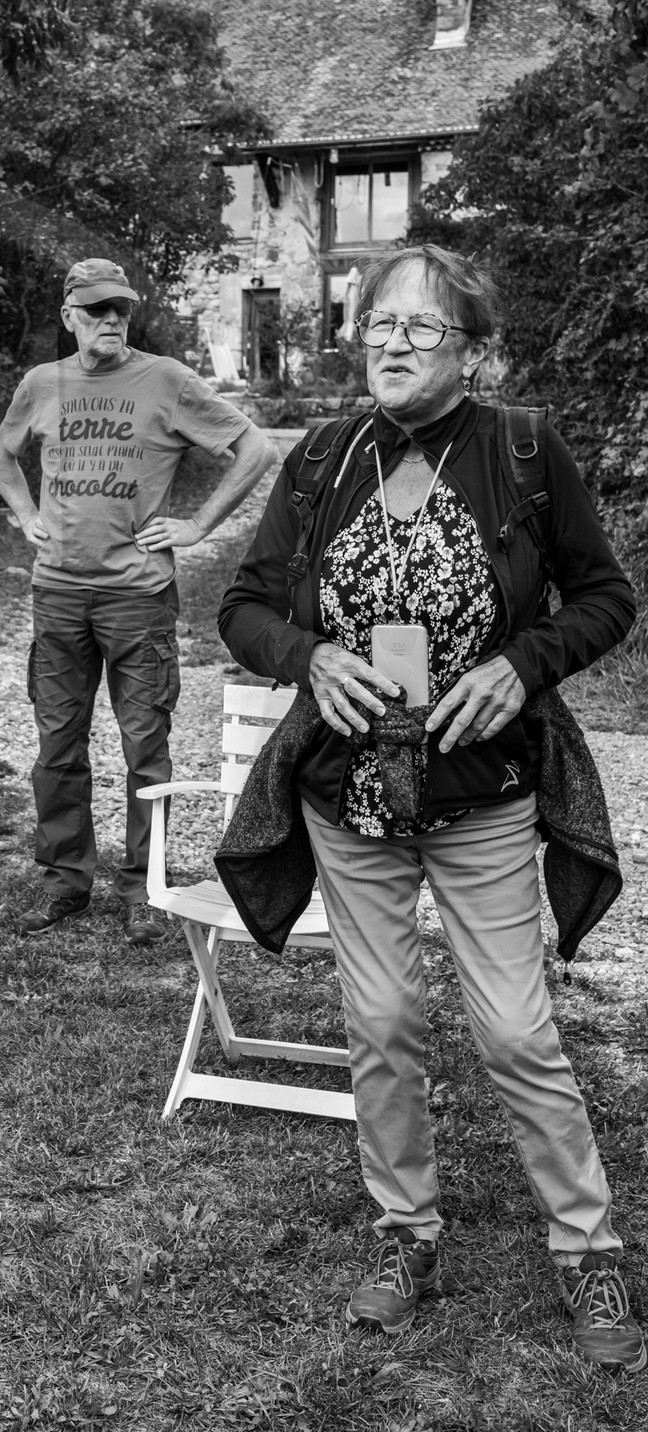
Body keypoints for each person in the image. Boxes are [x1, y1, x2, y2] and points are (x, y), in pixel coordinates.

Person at [215, 244, 641, 1370]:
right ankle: (406, 1232)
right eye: (376, 327)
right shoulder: (320, 456)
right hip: (346, 800)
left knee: (512, 1027)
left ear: (473, 349)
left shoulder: (521, 450)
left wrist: (523, 664)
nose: (392, 346)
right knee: (384, 1023)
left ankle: (586, 1244)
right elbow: (245, 607)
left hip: (483, 791)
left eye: (420, 328)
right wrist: (305, 658)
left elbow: (606, 597)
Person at [0, 258, 275, 941]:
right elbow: (3, 454)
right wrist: (26, 512)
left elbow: (256, 449)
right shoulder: (42, 384)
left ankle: (143, 888)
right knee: (57, 745)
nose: (111, 319)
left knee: (145, 748)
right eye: (95, 310)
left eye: (119, 308)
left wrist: (199, 525)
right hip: (57, 593)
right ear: (69, 318)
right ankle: (64, 882)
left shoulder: (166, 380)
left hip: (138, 600)